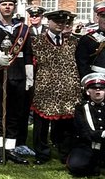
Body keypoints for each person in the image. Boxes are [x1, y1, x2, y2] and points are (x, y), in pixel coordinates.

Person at [0, 0, 34, 164]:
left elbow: (27, 53)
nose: (7, 7)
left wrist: (29, 77)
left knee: (15, 113)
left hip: (18, 74)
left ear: (14, 7)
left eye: (10, 4)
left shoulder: (23, 29)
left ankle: (10, 149)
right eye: (4, 4)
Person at [28, 9, 80, 164]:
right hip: (44, 88)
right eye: (57, 21)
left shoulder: (73, 42)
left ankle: (65, 153)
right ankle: (42, 153)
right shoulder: (37, 41)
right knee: (41, 125)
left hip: (68, 88)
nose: (60, 24)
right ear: (48, 22)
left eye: (63, 22)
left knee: (66, 124)